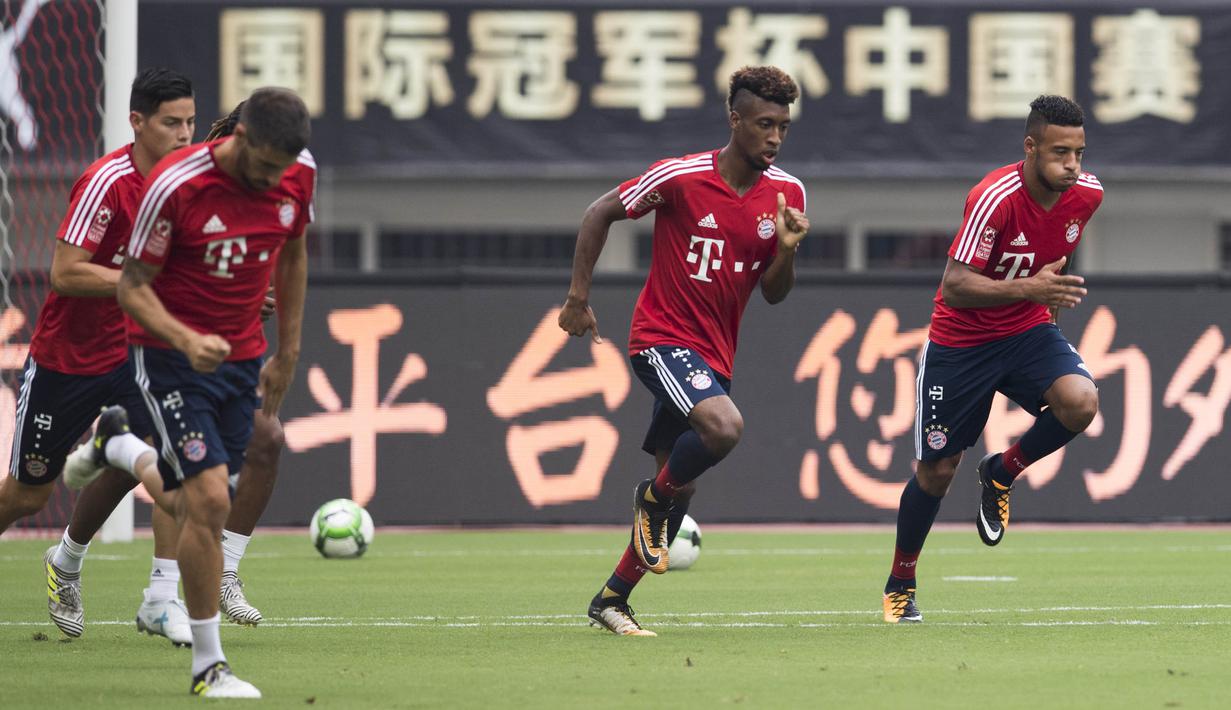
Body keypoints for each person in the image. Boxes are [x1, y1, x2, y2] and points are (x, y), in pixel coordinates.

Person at [559, 66, 809, 636]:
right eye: (765, 124)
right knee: (723, 429)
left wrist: (788, 250)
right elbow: (601, 211)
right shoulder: (680, 177)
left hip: (714, 358)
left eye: (784, 128)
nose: (774, 137)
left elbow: (773, 293)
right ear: (735, 120)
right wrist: (578, 297)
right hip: (661, 339)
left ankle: (612, 599)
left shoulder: (787, 193)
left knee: (684, 487)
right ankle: (650, 500)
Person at [114, 86, 313, 697]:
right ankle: (208, 666)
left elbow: (295, 253)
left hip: (241, 359)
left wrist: (288, 352)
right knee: (208, 501)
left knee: (193, 498)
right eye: (263, 165)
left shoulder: (295, 175)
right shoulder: (177, 184)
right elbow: (131, 285)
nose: (272, 179)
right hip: (171, 359)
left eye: (283, 169)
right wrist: (184, 336)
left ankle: (118, 448)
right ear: (240, 138)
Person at [62, 101, 285, 628]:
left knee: (263, 441)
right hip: (158, 341)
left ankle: (215, 575)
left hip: (220, 350)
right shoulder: (181, 188)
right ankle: (131, 585)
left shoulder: (271, 195)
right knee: (180, 465)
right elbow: (148, 276)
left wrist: (268, 322)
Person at [881, 95, 1103, 624]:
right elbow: (955, 287)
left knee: (1080, 401)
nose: (1072, 165)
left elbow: (1054, 262)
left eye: (1079, 153)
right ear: (1030, 148)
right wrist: (1030, 286)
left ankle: (1002, 472)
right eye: (1060, 153)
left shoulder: (1087, 195)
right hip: (961, 343)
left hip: (1026, 332)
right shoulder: (994, 198)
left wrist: (1046, 313)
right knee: (937, 471)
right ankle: (900, 583)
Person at [0, 68, 196, 644]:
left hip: (140, 353)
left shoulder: (189, 182)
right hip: (68, 358)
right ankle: (63, 559)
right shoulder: (107, 181)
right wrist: (143, 284)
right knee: (27, 493)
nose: (184, 134)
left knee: (172, 461)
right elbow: (64, 272)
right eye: (170, 123)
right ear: (137, 122)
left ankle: (159, 596)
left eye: (190, 121)